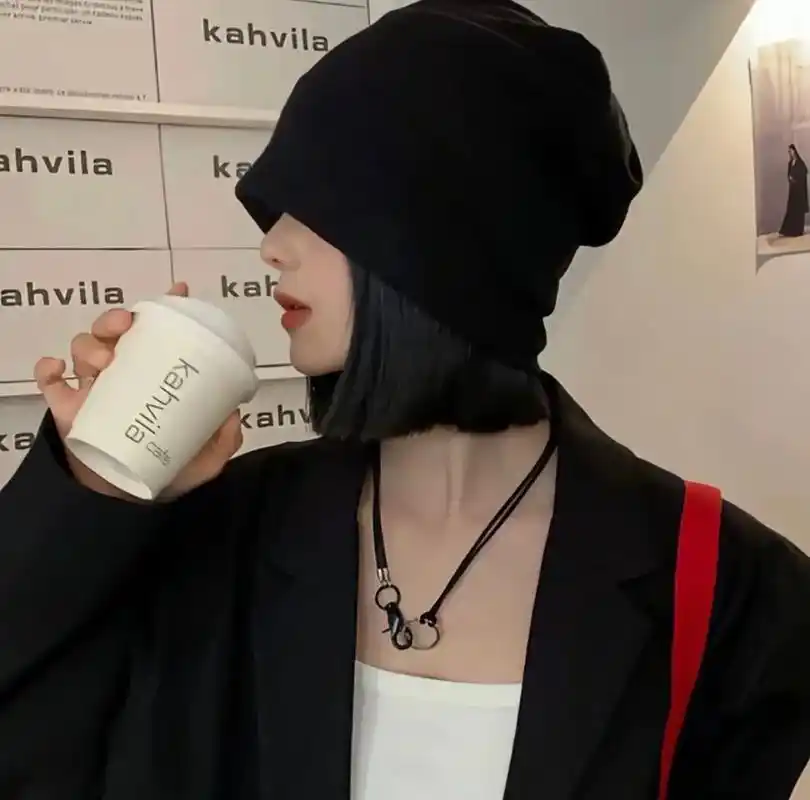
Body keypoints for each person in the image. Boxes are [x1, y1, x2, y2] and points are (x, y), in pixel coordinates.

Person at [2, 2, 810, 798]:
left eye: (319, 202)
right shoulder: (222, 531)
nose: (272, 245)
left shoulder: (741, 593)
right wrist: (96, 486)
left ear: (445, 239)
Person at [779, 144, 809, 238]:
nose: (790, 153)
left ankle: (798, 230)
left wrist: (796, 178)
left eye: (791, 151)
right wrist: (790, 178)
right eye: (789, 151)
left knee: (798, 210)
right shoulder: (790, 163)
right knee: (791, 209)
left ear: (794, 151)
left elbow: (804, 172)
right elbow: (789, 174)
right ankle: (789, 230)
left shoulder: (800, 163)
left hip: (799, 190)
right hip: (793, 190)